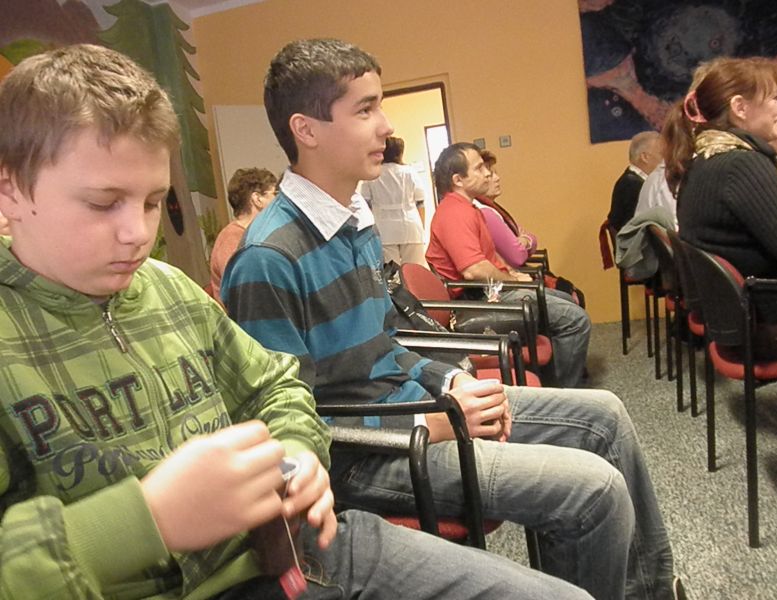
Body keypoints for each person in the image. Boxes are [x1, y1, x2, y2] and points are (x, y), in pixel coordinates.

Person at [0, 43, 594, 600]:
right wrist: (146, 519)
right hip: (271, 538)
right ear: (9, 190)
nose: (137, 233)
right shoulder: (266, 256)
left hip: (295, 548)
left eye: (154, 202)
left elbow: (277, 385)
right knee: (585, 490)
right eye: (103, 203)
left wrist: (294, 451)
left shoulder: (167, 288)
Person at [222, 38, 685, 600]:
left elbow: (388, 347)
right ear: (307, 130)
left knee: (604, 415)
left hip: (412, 413)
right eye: (365, 110)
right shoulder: (267, 259)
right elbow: (287, 432)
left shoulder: (353, 220)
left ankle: (650, 590)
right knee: (592, 490)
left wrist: (451, 382)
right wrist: (427, 423)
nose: (385, 126)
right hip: (363, 457)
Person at [664, 55, 777, 429]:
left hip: (739, 318)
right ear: (740, 108)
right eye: (772, 97)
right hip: (768, 322)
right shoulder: (741, 165)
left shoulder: (706, 160)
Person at [426, 142, 591, 388]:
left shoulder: (469, 209)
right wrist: (513, 280)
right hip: (480, 299)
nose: (487, 173)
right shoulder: (454, 213)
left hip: (491, 291)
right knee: (576, 321)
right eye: (479, 168)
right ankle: (565, 393)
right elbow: (474, 270)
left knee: (566, 300)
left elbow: (490, 258)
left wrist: (513, 273)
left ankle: (552, 381)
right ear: (458, 180)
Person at [209, 167, 277, 302]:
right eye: (275, 194)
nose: (279, 201)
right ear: (257, 199)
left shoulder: (254, 235)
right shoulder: (231, 240)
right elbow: (247, 294)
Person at [360, 135, 427, 266]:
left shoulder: (373, 174)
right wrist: (421, 228)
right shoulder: (410, 172)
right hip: (411, 226)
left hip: (384, 229)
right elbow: (420, 202)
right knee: (415, 270)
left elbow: (365, 204)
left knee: (391, 272)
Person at [473, 149, 538, 268]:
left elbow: (527, 237)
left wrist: (526, 240)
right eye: (490, 175)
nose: (497, 178)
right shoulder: (485, 212)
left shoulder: (494, 208)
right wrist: (526, 241)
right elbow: (517, 257)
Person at [607, 131, 663, 233]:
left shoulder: (630, 180)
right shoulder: (632, 186)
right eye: (662, 154)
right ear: (645, 157)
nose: (666, 159)